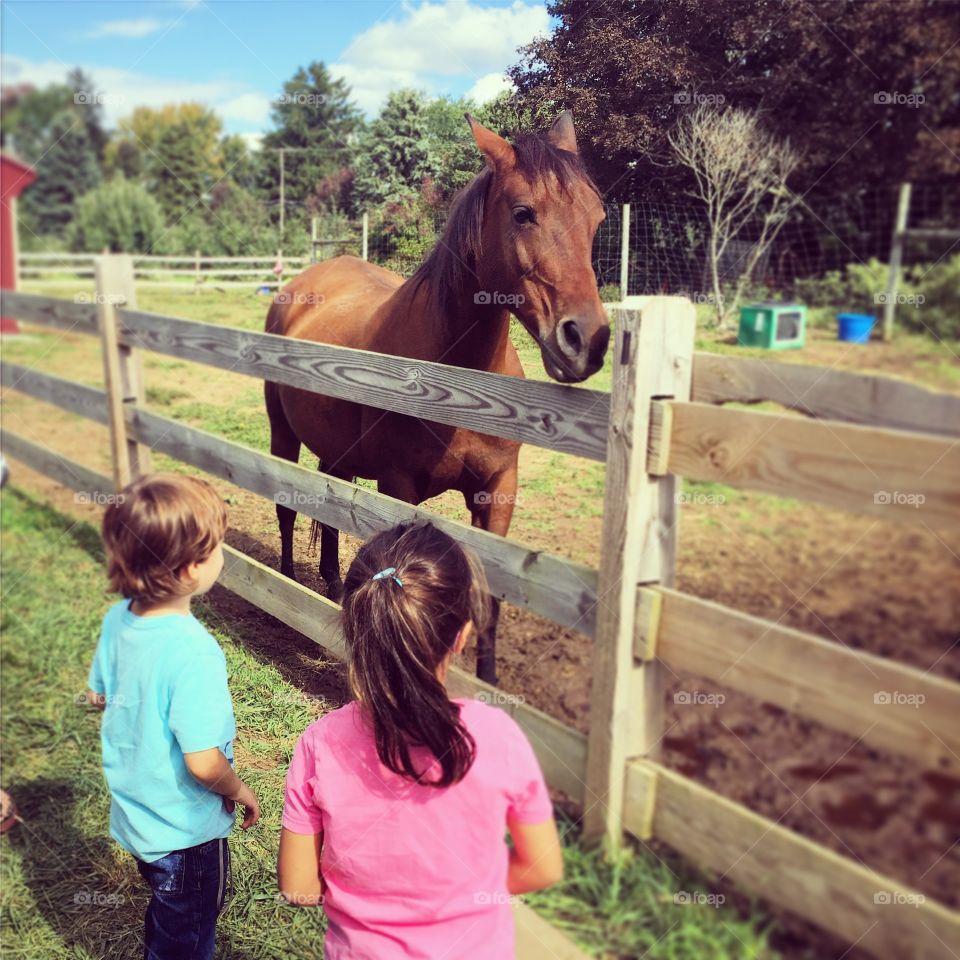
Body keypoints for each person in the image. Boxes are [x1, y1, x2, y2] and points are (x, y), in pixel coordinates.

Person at [278, 520, 564, 959]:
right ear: (463, 633)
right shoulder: (497, 736)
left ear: (355, 627)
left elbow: (298, 887)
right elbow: (542, 865)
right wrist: (467, 892)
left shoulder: (320, 744)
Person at [85, 472, 259, 960]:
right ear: (188, 571)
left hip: (139, 810)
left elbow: (99, 696)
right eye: (217, 546)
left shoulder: (119, 618)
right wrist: (239, 789)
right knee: (191, 927)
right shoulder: (194, 652)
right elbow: (202, 762)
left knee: (170, 906)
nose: (222, 555)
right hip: (187, 833)